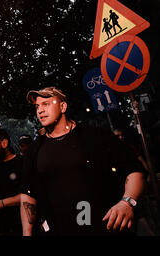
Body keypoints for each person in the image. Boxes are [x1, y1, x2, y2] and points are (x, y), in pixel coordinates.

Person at [21, 87, 146, 236]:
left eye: (46, 104)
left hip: (106, 228)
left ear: (63, 106)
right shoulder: (34, 150)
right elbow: (28, 194)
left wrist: (127, 202)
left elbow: (134, 170)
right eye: (37, 106)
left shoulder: (96, 136)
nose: (40, 110)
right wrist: (27, 233)